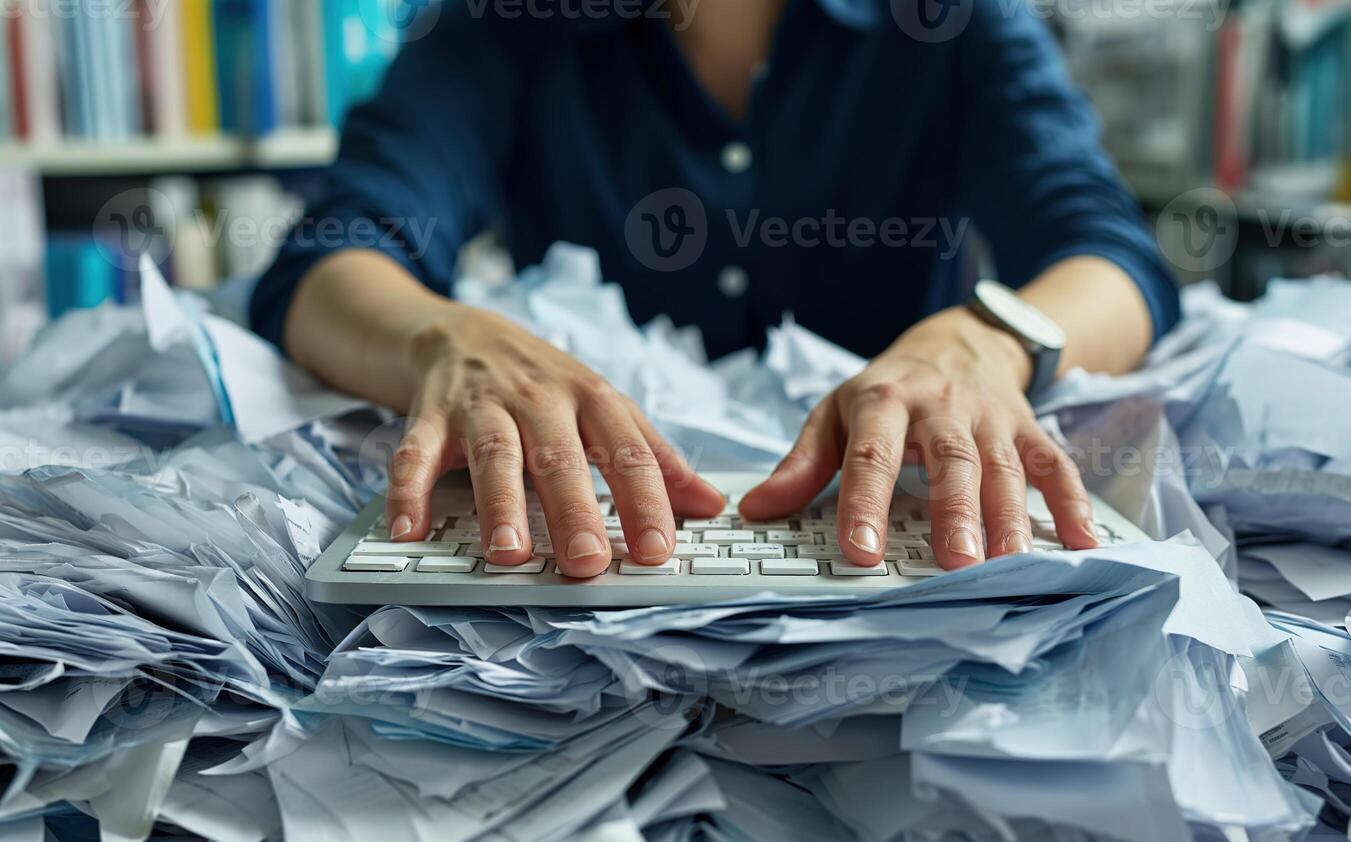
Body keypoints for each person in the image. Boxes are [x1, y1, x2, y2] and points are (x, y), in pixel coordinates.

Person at [250, 0, 1180, 579]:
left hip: (887, 526)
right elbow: (334, 251)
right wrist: (443, 339)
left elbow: (1108, 255)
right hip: (589, 552)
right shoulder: (507, 21)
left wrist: (984, 343)